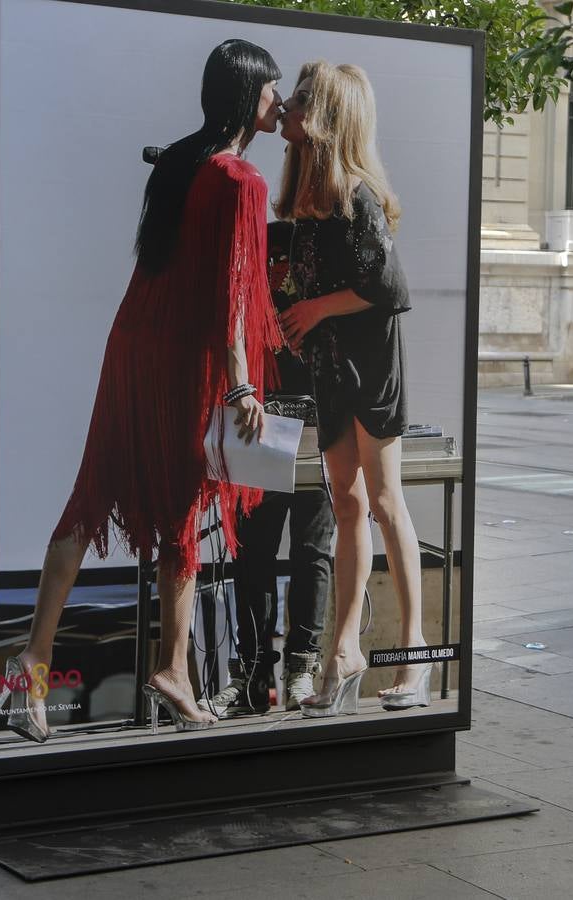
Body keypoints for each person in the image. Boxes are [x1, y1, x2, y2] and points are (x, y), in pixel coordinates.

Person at [0, 40, 284, 743]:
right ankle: (171, 670)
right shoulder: (241, 181)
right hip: (185, 358)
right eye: (273, 89)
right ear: (249, 96)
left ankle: (29, 672)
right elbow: (232, 288)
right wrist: (242, 383)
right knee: (180, 513)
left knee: (89, 499)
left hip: (132, 345)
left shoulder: (179, 164)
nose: (280, 100)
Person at [275, 61, 430, 718]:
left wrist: (311, 312)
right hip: (332, 366)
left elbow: (389, 291)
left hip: (369, 366)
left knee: (385, 503)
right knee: (345, 504)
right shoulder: (307, 198)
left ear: (327, 113)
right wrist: (295, 316)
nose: (287, 104)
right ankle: (344, 652)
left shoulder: (355, 195)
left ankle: (413, 650)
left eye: (302, 97)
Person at [210, 221, 334, 717]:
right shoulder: (256, 238)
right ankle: (253, 675)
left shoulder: (335, 242)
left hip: (320, 417)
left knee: (312, 551)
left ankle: (301, 666)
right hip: (258, 416)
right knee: (254, 554)